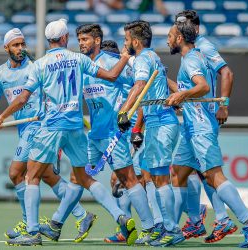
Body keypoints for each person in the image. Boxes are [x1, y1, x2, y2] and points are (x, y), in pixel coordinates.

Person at [0, 19, 137, 246]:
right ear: (65, 38)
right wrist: (126, 57)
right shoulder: (78, 59)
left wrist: (2, 116)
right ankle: (120, 216)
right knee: (84, 177)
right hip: (76, 127)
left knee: (31, 176)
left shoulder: (39, 64)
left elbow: (22, 98)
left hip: (51, 127)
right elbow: (111, 76)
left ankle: (32, 232)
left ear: (48, 40)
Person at [166, 18, 248, 249]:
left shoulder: (192, 59)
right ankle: (178, 227)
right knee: (179, 174)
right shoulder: (192, 58)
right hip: (190, 128)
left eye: (170, 35)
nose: (168, 39)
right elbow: (188, 90)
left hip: (201, 126)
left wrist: (181, 97)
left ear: (180, 38)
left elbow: (202, 87)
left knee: (214, 176)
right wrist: (167, 81)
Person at [0, 28, 95, 243]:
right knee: (47, 176)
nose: (20, 48)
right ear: (6, 48)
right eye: (15, 45)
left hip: (39, 127)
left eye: (22, 44)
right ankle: (82, 215)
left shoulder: (36, 67)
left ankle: (29, 226)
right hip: (23, 128)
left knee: (16, 173)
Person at [76, 24, 154, 244]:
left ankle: (148, 228)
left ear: (97, 40)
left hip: (113, 134)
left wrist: (134, 121)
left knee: (129, 179)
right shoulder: (83, 67)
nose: (81, 43)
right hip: (94, 135)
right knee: (78, 176)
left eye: (86, 39)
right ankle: (61, 222)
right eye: (79, 39)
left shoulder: (113, 63)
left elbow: (139, 87)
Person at [169, 9, 236, 243]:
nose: (177, 29)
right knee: (191, 172)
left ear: (194, 28)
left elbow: (226, 73)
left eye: (182, 25)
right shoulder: (191, 51)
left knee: (207, 173)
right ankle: (204, 220)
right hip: (193, 119)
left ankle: (220, 219)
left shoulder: (203, 46)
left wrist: (224, 105)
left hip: (202, 120)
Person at [118, 20, 184, 247]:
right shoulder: (150, 57)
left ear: (135, 42)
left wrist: (124, 111)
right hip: (156, 123)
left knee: (161, 180)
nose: (125, 43)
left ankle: (173, 230)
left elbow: (138, 87)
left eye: (126, 40)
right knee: (154, 178)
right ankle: (162, 226)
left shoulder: (144, 59)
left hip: (161, 123)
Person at [100, 39, 164, 244]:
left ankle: (158, 224)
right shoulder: (114, 73)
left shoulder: (127, 70)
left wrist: (137, 130)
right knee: (127, 181)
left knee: (139, 179)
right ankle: (132, 227)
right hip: (125, 133)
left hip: (135, 134)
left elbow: (140, 101)